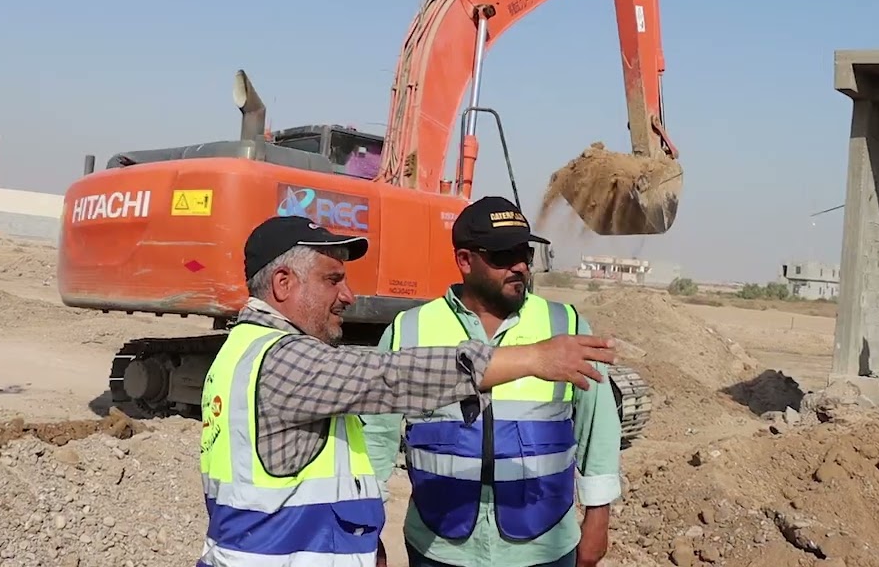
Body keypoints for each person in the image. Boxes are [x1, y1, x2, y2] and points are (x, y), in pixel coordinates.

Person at [198, 215, 622, 567]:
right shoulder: (286, 360)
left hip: (542, 540)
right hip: (380, 547)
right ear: (284, 284)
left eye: (524, 255)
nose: (348, 295)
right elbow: (388, 378)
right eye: (333, 280)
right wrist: (534, 360)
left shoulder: (245, 349)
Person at [362, 196, 624, 567]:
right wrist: (369, 528)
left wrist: (598, 518)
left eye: (525, 253)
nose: (519, 265)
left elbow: (598, 428)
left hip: (543, 548)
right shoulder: (410, 329)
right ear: (465, 261)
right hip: (439, 547)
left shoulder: (566, 325)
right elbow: (376, 437)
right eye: (503, 255)